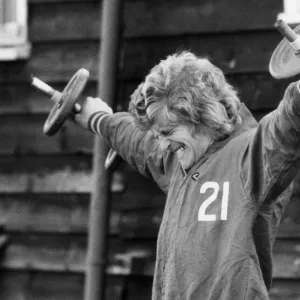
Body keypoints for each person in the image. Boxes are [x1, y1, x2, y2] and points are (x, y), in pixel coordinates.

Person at [74, 51, 299, 300]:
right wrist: (98, 118)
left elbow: (288, 125)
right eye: (158, 135)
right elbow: (135, 140)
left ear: (202, 114)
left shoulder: (251, 157)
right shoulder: (178, 162)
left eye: (168, 132)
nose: (162, 145)